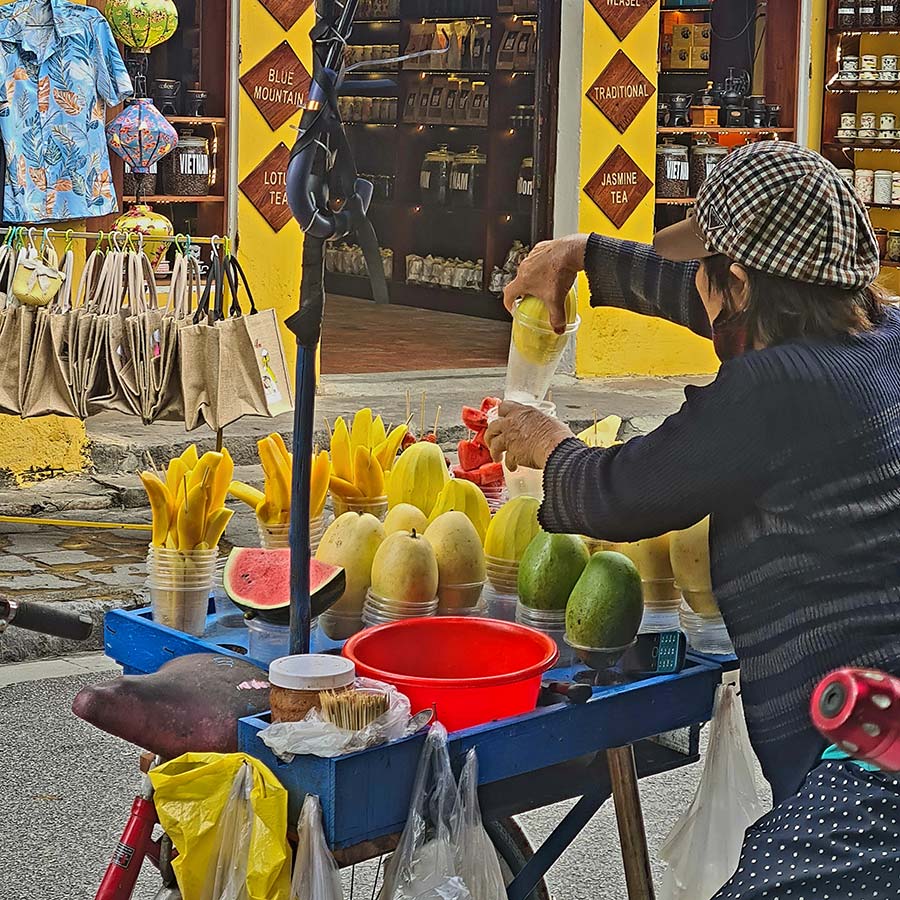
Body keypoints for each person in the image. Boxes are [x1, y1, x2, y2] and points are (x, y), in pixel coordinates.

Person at [485, 141, 900, 898]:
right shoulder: (880, 337)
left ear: (739, 281)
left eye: (711, 273)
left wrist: (547, 443)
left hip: (868, 757)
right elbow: (707, 294)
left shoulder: (771, 388)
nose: (698, 292)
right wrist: (581, 257)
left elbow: (622, 493)